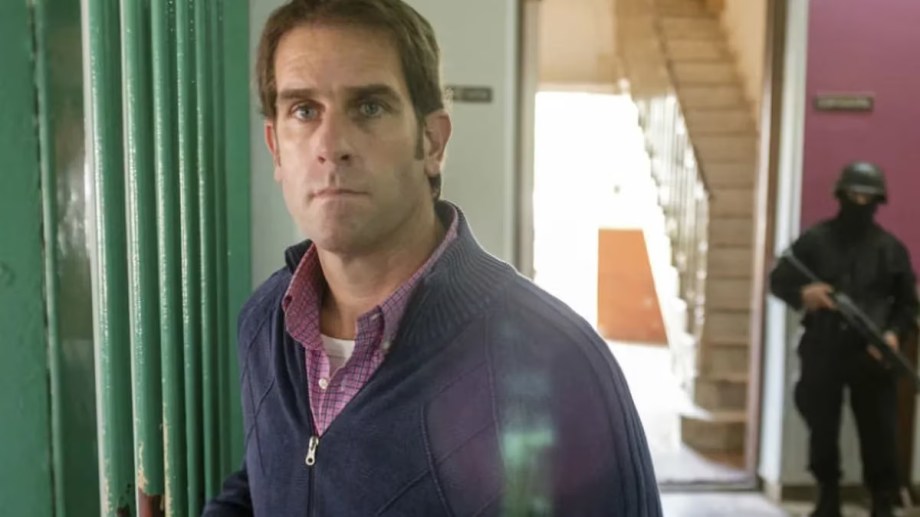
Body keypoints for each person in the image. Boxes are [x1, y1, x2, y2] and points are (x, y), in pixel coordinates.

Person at [203, 0, 662, 515]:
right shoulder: (265, 322)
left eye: (369, 107)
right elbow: (269, 480)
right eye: (304, 110)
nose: (331, 145)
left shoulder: (557, 366)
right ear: (275, 149)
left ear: (432, 142)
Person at [770, 162, 919, 517]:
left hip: (872, 353)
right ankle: (828, 497)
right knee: (822, 428)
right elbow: (779, 280)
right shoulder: (815, 240)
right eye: (855, 194)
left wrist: (892, 335)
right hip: (824, 347)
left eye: (867, 196)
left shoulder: (891, 249)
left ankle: (882, 500)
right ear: (841, 195)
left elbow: (908, 306)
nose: (860, 202)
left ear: (878, 200)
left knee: (879, 432)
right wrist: (805, 294)